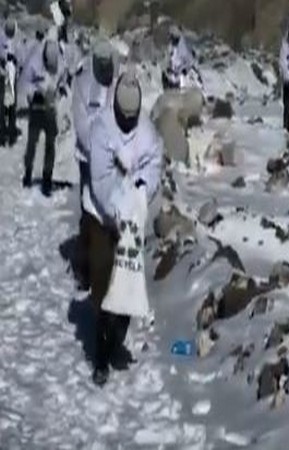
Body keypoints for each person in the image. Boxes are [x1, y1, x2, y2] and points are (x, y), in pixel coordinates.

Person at [87, 70, 162, 386]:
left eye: (131, 118)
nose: (127, 123)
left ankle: (116, 334)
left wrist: (142, 190)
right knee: (105, 280)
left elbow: (155, 164)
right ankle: (101, 354)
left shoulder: (147, 132)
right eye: (123, 117)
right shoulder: (103, 128)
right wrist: (117, 208)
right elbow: (100, 180)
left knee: (129, 281)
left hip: (133, 216)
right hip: (103, 214)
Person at [71, 39, 116, 290]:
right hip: (88, 158)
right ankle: (83, 268)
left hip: (110, 160)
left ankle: (107, 268)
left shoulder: (116, 79)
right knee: (89, 213)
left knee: (109, 212)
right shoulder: (83, 82)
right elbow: (81, 124)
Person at [21, 38, 66, 196]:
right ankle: (27, 172)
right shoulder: (33, 61)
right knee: (32, 142)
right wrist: (35, 93)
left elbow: (63, 80)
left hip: (50, 108)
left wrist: (61, 89)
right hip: (36, 107)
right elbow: (24, 83)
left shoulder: (60, 62)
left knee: (50, 144)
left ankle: (47, 177)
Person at [0, 18, 23, 146]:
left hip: (8, 73)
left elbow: (17, 57)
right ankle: (5, 131)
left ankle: (9, 129)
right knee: (6, 104)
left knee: (9, 103)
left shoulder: (13, 40)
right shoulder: (5, 39)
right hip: (6, 74)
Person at [162, 26, 194, 90]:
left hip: (182, 74)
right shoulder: (171, 45)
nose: (170, 39)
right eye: (170, 37)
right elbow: (168, 58)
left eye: (172, 36)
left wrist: (184, 69)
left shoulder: (184, 47)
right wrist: (168, 67)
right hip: (173, 72)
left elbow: (190, 61)